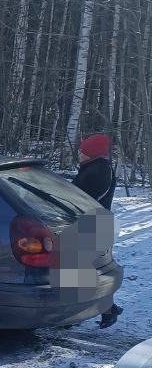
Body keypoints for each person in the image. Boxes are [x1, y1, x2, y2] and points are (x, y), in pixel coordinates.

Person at [72, 133, 123, 328]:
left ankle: (105, 310)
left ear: (91, 152)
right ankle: (108, 309)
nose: (79, 153)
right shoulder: (95, 168)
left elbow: (80, 198)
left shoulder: (96, 172)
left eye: (83, 150)